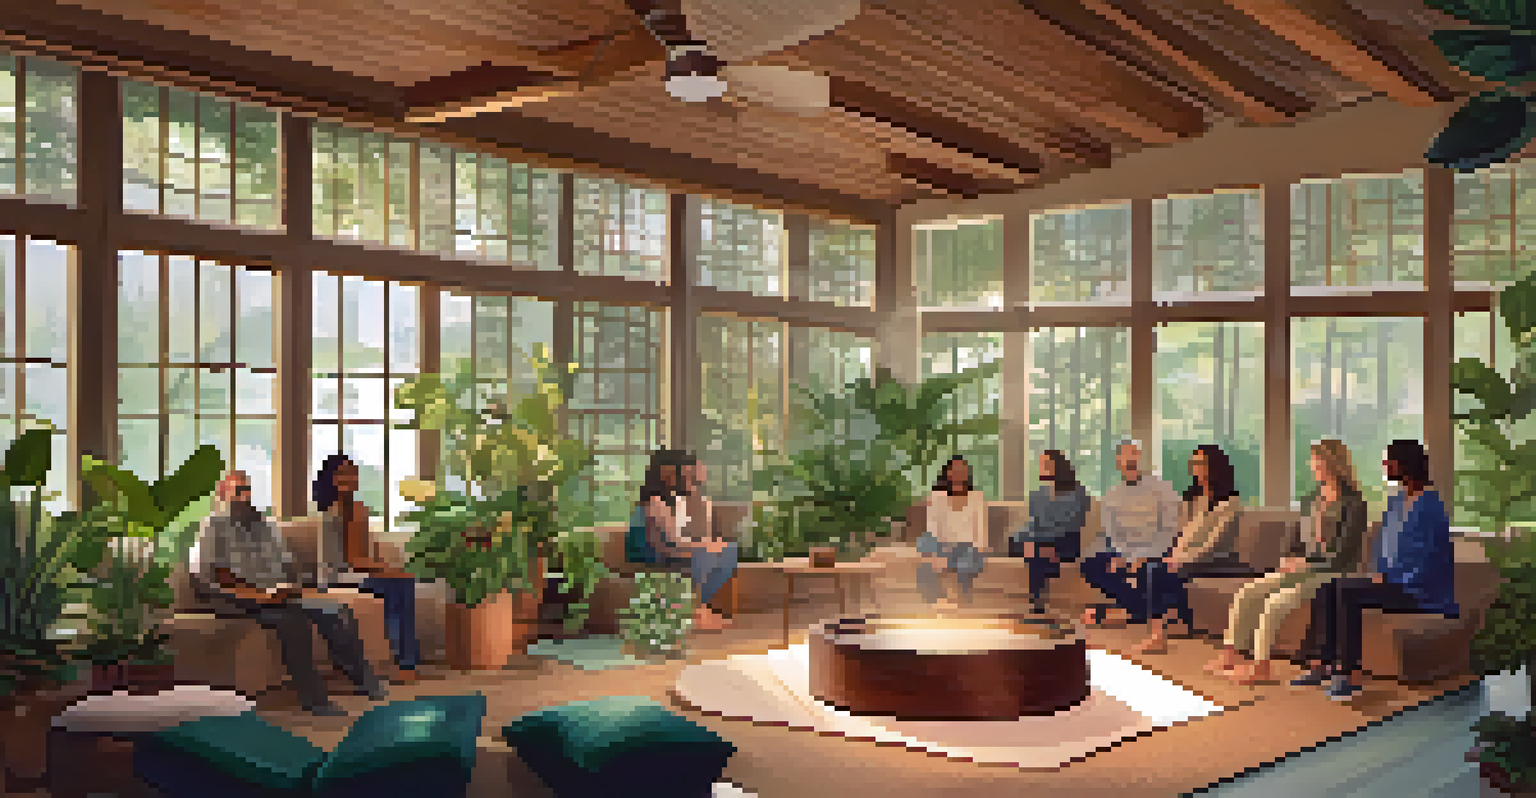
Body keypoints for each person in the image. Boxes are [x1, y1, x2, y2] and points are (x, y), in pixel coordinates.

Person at [193, 470, 386, 716]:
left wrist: (293, 587)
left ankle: (365, 681)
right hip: (235, 597)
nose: (245, 496)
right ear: (222, 494)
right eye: (238, 491)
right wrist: (259, 595)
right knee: (293, 621)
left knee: (335, 610)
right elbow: (217, 574)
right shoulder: (214, 525)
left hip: (275, 595)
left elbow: (286, 563)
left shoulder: (264, 524)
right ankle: (315, 701)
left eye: (247, 490)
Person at [1291, 439, 1458, 701]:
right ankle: (1322, 664)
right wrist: (1378, 573)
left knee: (1348, 592)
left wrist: (1392, 580)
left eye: (1390, 460)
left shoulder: (1431, 506)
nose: (1385, 464)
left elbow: (1429, 558)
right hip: (1392, 582)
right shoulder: (1396, 501)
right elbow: (1382, 544)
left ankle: (1350, 674)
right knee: (1328, 586)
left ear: (1405, 464)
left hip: (1420, 592)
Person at [1207, 439, 1367, 685]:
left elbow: (1344, 556)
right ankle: (1231, 654)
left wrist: (1307, 564)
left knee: (1274, 603)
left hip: (1334, 573)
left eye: (1318, 460)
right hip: (1304, 568)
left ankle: (1261, 667)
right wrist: (1289, 559)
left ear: (1333, 463)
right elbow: (1295, 539)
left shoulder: (1354, 504)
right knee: (1248, 593)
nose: (1314, 465)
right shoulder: (1310, 500)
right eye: (1313, 460)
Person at [1134, 444, 1251, 655]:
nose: (1196, 468)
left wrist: (1181, 559)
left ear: (1215, 466)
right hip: (1187, 556)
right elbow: (1181, 533)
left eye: (1202, 463)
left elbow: (1215, 544)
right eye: (1194, 463)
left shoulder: (1230, 502)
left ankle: (1160, 635)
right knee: (1147, 565)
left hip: (1217, 559)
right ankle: (1178, 621)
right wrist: (1172, 555)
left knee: (1158, 570)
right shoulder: (1193, 498)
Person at [314, 454, 421, 684]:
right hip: (337, 578)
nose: (350, 478)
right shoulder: (341, 510)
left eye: (353, 473)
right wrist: (386, 570)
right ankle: (403, 663)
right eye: (343, 473)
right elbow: (354, 560)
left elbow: (367, 551)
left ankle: (406, 661)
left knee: (401, 583)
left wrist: (386, 567)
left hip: (353, 574)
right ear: (331, 478)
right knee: (397, 587)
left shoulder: (355, 508)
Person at [627, 448, 737, 632]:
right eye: (682, 474)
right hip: (650, 554)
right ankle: (696, 611)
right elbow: (673, 540)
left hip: (666, 548)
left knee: (728, 550)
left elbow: (679, 537)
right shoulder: (655, 501)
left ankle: (702, 607)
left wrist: (707, 543)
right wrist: (705, 545)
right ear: (667, 473)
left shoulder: (672, 500)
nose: (685, 479)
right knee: (705, 554)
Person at [1079, 440, 1182, 630]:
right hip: (1125, 552)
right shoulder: (1112, 495)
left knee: (1149, 568)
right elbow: (1113, 534)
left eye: (1134, 454)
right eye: (1125, 456)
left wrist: (1143, 556)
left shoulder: (1163, 489)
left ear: (1140, 457)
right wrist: (1125, 557)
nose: (1130, 460)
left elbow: (1169, 530)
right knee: (1091, 564)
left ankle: (1134, 610)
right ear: (1118, 462)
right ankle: (1138, 608)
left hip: (1158, 550)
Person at [1011, 450, 1090, 612]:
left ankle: (1037, 603)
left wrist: (1044, 540)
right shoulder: (1037, 494)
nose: (1041, 467)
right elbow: (1033, 523)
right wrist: (1027, 539)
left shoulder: (1078, 492)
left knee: (1037, 552)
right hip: (1043, 541)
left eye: (1045, 463)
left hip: (1066, 540)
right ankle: (1039, 598)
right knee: (1018, 542)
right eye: (1041, 463)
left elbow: (1073, 523)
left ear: (1058, 466)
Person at [918, 456, 989, 610]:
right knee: (925, 544)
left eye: (962, 469)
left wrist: (976, 550)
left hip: (968, 548)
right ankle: (935, 602)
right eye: (954, 469)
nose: (958, 472)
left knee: (965, 563)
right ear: (948, 473)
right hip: (944, 547)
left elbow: (981, 533)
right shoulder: (937, 497)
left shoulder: (977, 497)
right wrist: (938, 553)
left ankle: (963, 602)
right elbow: (932, 528)